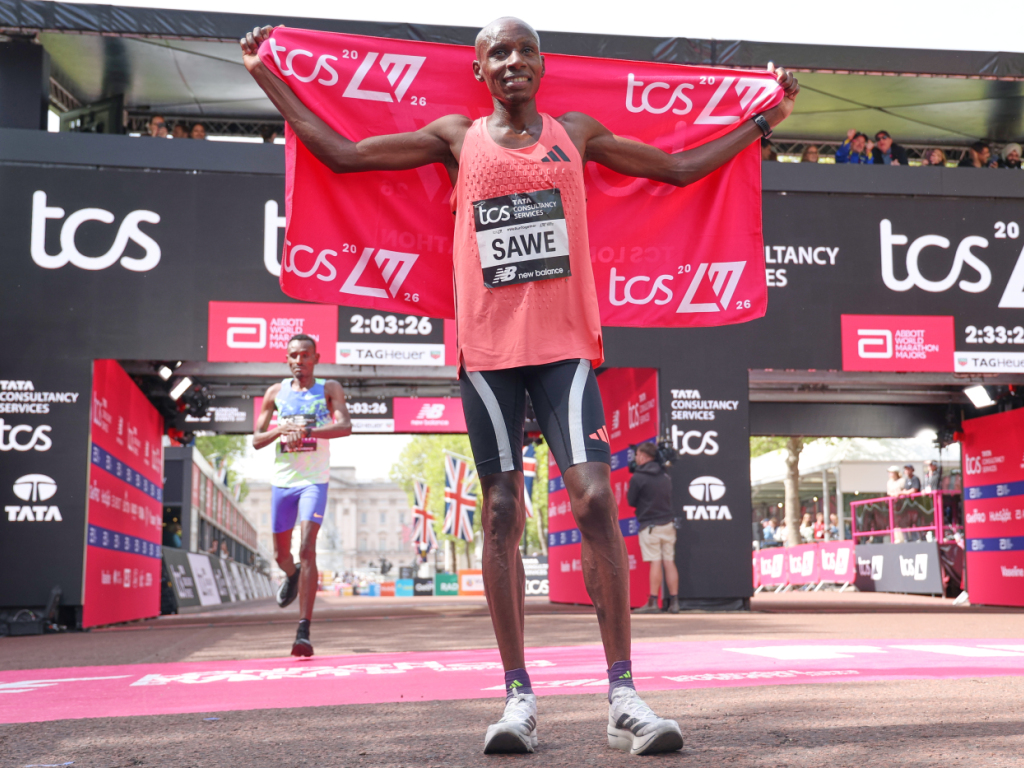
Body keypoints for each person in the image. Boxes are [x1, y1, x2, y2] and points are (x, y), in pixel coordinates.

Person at [241, 18, 799, 755]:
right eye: (498, 53)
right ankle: (517, 699)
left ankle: (623, 695)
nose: (513, 61)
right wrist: (267, 76)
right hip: (488, 354)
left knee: (596, 498)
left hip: (565, 348)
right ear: (479, 70)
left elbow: (677, 168)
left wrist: (763, 120)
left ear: (542, 65)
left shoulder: (577, 133)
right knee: (502, 509)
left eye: (525, 50)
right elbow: (344, 155)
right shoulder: (456, 137)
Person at [253, 333, 352, 657]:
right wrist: (280, 430)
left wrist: (308, 431)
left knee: (308, 547)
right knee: (281, 555)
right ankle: (291, 574)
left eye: (306, 355)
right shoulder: (275, 392)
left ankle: (303, 631)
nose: (300, 361)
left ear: (316, 358)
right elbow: (256, 440)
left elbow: (345, 426)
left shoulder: (329, 389)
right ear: (287, 359)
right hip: (283, 481)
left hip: (314, 480)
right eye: (294, 355)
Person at [628, 443, 678, 615]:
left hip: (650, 525)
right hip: (669, 523)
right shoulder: (665, 474)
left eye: (637, 455)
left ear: (642, 456)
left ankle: (653, 602)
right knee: (669, 562)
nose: (635, 458)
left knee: (655, 562)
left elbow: (631, 501)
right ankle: (675, 603)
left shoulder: (638, 477)